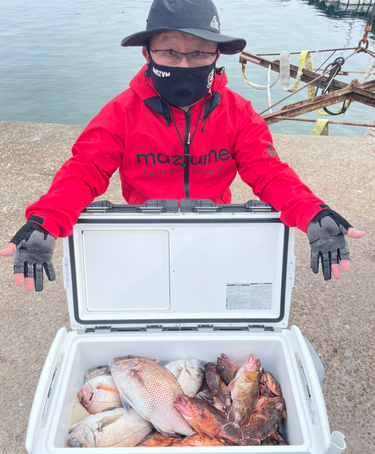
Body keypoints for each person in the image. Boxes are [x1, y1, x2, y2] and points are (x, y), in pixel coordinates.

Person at [0, 0, 365, 292]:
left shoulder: (238, 113)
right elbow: (84, 170)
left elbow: (268, 171)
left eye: (199, 54)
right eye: (170, 52)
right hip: (145, 229)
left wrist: (311, 211)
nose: (184, 63)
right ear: (147, 53)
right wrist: (46, 219)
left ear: (216, 56)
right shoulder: (120, 113)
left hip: (213, 225)